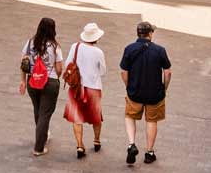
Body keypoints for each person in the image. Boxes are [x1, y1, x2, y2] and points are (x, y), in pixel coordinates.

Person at [119, 21, 171, 165]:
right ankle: (149, 152)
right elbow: (167, 72)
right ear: (150, 34)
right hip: (155, 93)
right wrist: (164, 88)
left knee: (130, 116)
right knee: (151, 121)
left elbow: (123, 71)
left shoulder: (129, 49)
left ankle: (131, 144)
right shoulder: (160, 50)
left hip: (135, 91)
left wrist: (128, 86)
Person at [19, 17, 65, 156]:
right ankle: (39, 147)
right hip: (49, 83)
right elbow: (59, 69)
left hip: (32, 81)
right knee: (45, 114)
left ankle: (43, 134)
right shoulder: (55, 47)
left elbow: (23, 63)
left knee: (38, 110)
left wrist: (22, 81)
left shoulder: (29, 43)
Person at [63, 22, 108, 157]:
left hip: (77, 87)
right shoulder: (98, 52)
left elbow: (67, 64)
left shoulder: (75, 47)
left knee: (77, 117)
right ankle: (96, 140)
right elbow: (103, 71)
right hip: (93, 87)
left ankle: (79, 145)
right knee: (96, 117)